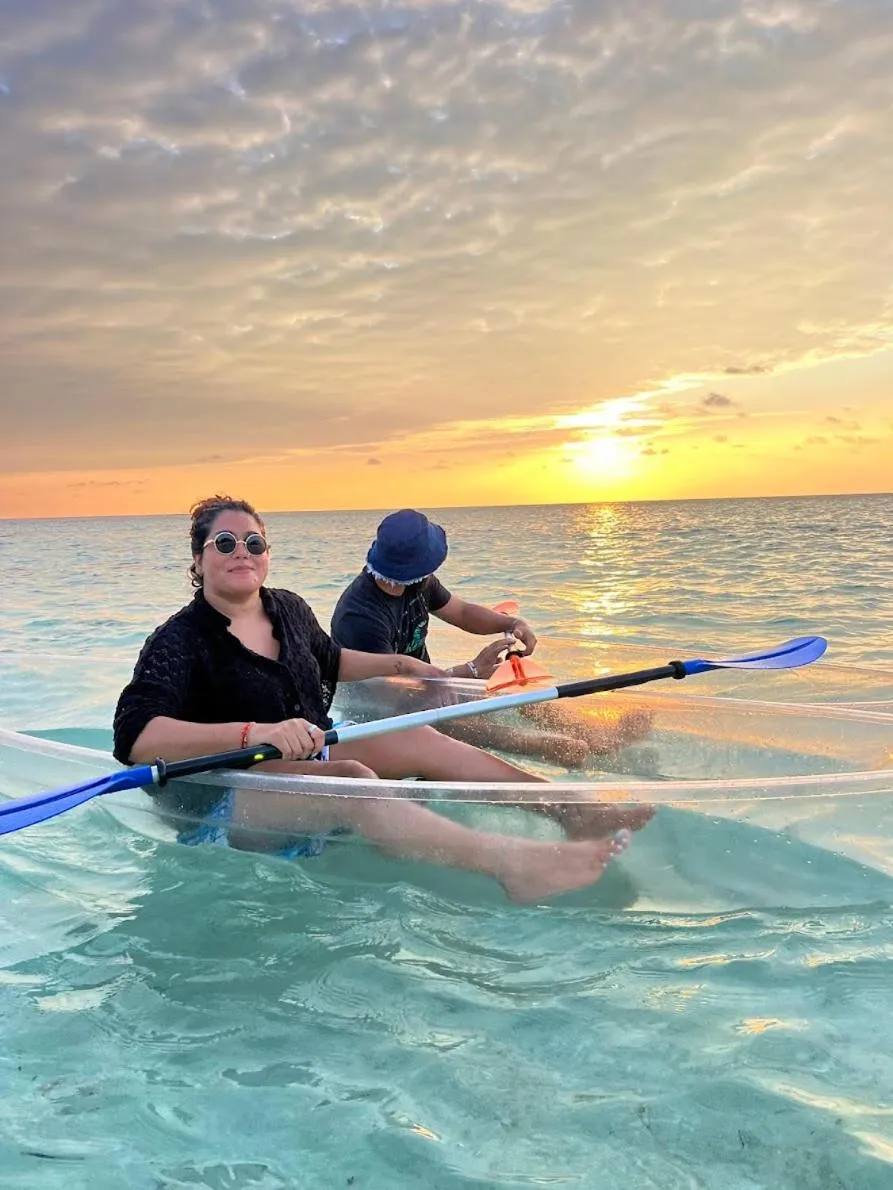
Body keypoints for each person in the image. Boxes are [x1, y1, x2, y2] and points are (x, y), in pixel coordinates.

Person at [112, 495, 632, 904]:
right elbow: (136, 738)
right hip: (224, 794)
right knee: (355, 782)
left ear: (268, 554)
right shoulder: (179, 639)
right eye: (224, 543)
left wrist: (403, 664)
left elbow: (330, 660)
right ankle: (513, 866)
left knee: (415, 737)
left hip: (301, 760)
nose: (242, 553)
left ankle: (570, 810)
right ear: (199, 561)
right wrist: (258, 733)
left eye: (254, 542)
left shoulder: (287, 608)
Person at [330, 508, 655, 767]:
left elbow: (462, 612)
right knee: (470, 726)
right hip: (384, 714)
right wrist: (469, 671)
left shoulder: (417, 582)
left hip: (432, 689)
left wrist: (511, 623)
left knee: (515, 693)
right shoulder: (361, 617)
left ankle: (596, 737)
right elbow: (390, 696)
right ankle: (547, 749)